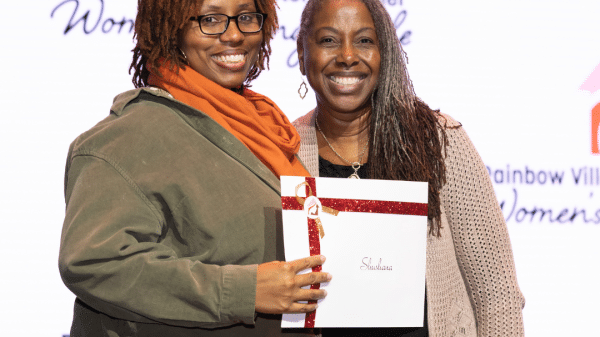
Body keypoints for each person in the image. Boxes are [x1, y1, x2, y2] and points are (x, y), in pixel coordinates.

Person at [58, 0, 331, 336]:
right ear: (171, 30)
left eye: (246, 17)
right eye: (211, 19)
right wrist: (243, 291)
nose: (234, 34)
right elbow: (94, 263)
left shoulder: (264, 127)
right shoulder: (123, 139)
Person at [293, 0, 525, 336]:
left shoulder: (440, 142)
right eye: (328, 40)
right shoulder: (283, 151)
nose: (346, 55)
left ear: (384, 54)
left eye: (364, 40)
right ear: (302, 56)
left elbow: (497, 294)